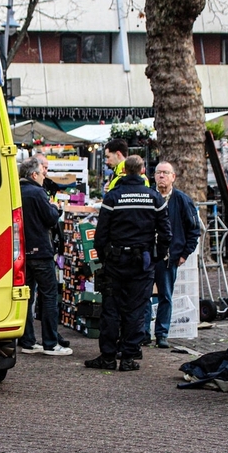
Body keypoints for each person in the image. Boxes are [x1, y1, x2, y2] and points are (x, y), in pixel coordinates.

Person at [85, 155, 171, 372]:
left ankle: (107, 356)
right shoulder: (153, 198)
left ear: (124, 172)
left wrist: (104, 258)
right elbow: (165, 233)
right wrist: (156, 256)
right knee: (135, 310)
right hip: (142, 262)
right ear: (143, 171)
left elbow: (101, 233)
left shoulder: (113, 197)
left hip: (115, 261)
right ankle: (128, 358)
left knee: (111, 309)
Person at [17, 157, 73, 357]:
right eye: (42, 173)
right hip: (41, 251)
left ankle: (28, 340)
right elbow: (50, 217)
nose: (44, 176)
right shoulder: (37, 192)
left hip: (23, 253)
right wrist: (55, 208)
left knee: (27, 297)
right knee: (49, 296)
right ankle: (51, 343)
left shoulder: (16, 192)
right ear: (34, 175)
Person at [143, 161, 200, 349]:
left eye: (165, 173)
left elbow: (193, 230)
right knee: (144, 295)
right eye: (158, 172)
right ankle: (143, 333)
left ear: (173, 177)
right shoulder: (148, 197)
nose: (161, 176)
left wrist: (184, 254)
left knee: (165, 296)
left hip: (169, 257)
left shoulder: (182, 200)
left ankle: (161, 334)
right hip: (147, 255)